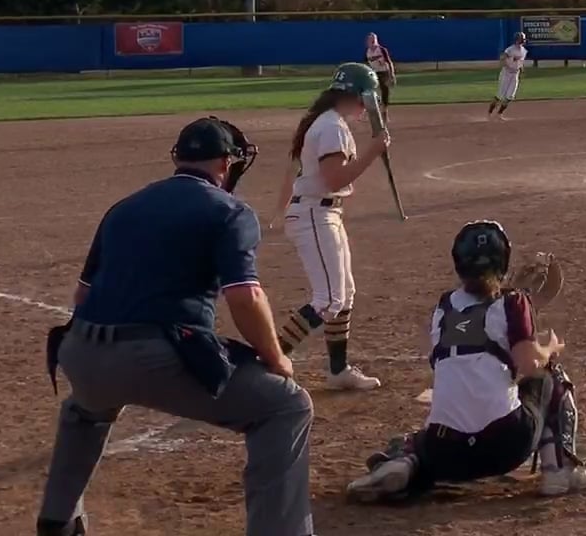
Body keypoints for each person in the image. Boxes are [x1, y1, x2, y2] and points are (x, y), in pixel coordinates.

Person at [35, 117, 315, 536]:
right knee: (286, 406)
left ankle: (58, 521)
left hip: (80, 352)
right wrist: (277, 359)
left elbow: (81, 297)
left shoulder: (124, 208)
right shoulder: (230, 211)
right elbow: (245, 297)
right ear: (225, 163)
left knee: (86, 409)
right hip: (153, 358)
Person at [345, 220, 586, 503]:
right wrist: (548, 347)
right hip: (505, 444)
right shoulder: (514, 303)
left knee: (414, 441)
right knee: (551, 375)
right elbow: (529, 364)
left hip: (446, 453)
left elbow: (468, 352)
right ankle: (559, 471)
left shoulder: (444, 307)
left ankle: (405, 463)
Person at [272, 63, 391, 390]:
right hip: (314, 214)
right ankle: (268, 359)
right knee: (328, 300)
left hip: (323, 213)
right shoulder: (331, 127)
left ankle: (338, 370)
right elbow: (335, 179)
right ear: (357, 95)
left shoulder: (330, 123)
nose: (368, 106)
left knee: (344, 294)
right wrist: (373, 150)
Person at [487, 31, 528, 121]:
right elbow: (502, 58)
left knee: (510, 96)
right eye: (522, 39)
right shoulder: (510, 50)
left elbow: (521, 62)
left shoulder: (524, 51)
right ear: (517, 40)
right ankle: (489, 113)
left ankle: (499, 114)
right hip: (506, 74)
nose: (523, 41)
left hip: (515, 75)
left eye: (523, 39)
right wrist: (506, 65)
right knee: (500, 95)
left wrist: (521, 69)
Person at [364, 33, 398, 111]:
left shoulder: (381, 49)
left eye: (373, 39)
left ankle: (384, 109)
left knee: (384, 90)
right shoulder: (368, 51)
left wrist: (392, 74)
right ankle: (377, 103)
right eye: (369, 39)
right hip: (374, 72)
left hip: (384, 72)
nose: (371, 41)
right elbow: (367, 63)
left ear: (376, 40)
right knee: (370, 89)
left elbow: (389, 62)